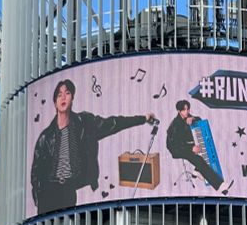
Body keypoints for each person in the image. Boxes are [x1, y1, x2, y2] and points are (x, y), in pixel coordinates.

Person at [30, 77, 155, 214]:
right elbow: (36, 171)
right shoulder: (46, 136)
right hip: (48, 192)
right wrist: (38, 197)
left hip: (70, 189)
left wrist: (142, 119)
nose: (63, 97)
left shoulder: (85, 123)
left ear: (72, 98)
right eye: (59, 95)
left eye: (67, 93)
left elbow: (113, 123)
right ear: (55, 102)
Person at [166, 100, 224, 190]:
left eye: (188, 109)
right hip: (177, 148)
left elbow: (199, 120)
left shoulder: (188, 116)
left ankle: (197, 171)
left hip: (187, 144)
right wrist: (191, 149)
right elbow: (174, 144)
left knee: (205, 148)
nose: (186, 112)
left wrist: (192, 119)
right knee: (198, 159)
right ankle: (219, 186)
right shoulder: (175, 125)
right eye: (184, 110)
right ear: (179, 111)